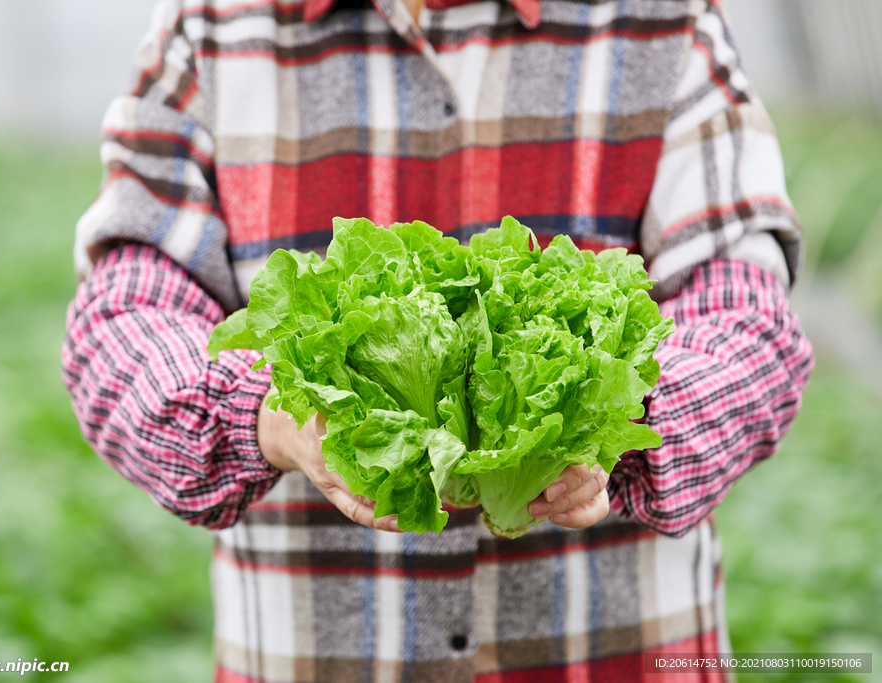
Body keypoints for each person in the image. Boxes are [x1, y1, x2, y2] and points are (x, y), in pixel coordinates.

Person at [62, 0, 814, 679]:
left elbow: (747, 323)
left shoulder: (660, 19)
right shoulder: (216, 25)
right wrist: (268, 412)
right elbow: (124, 316)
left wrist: (609, 420)